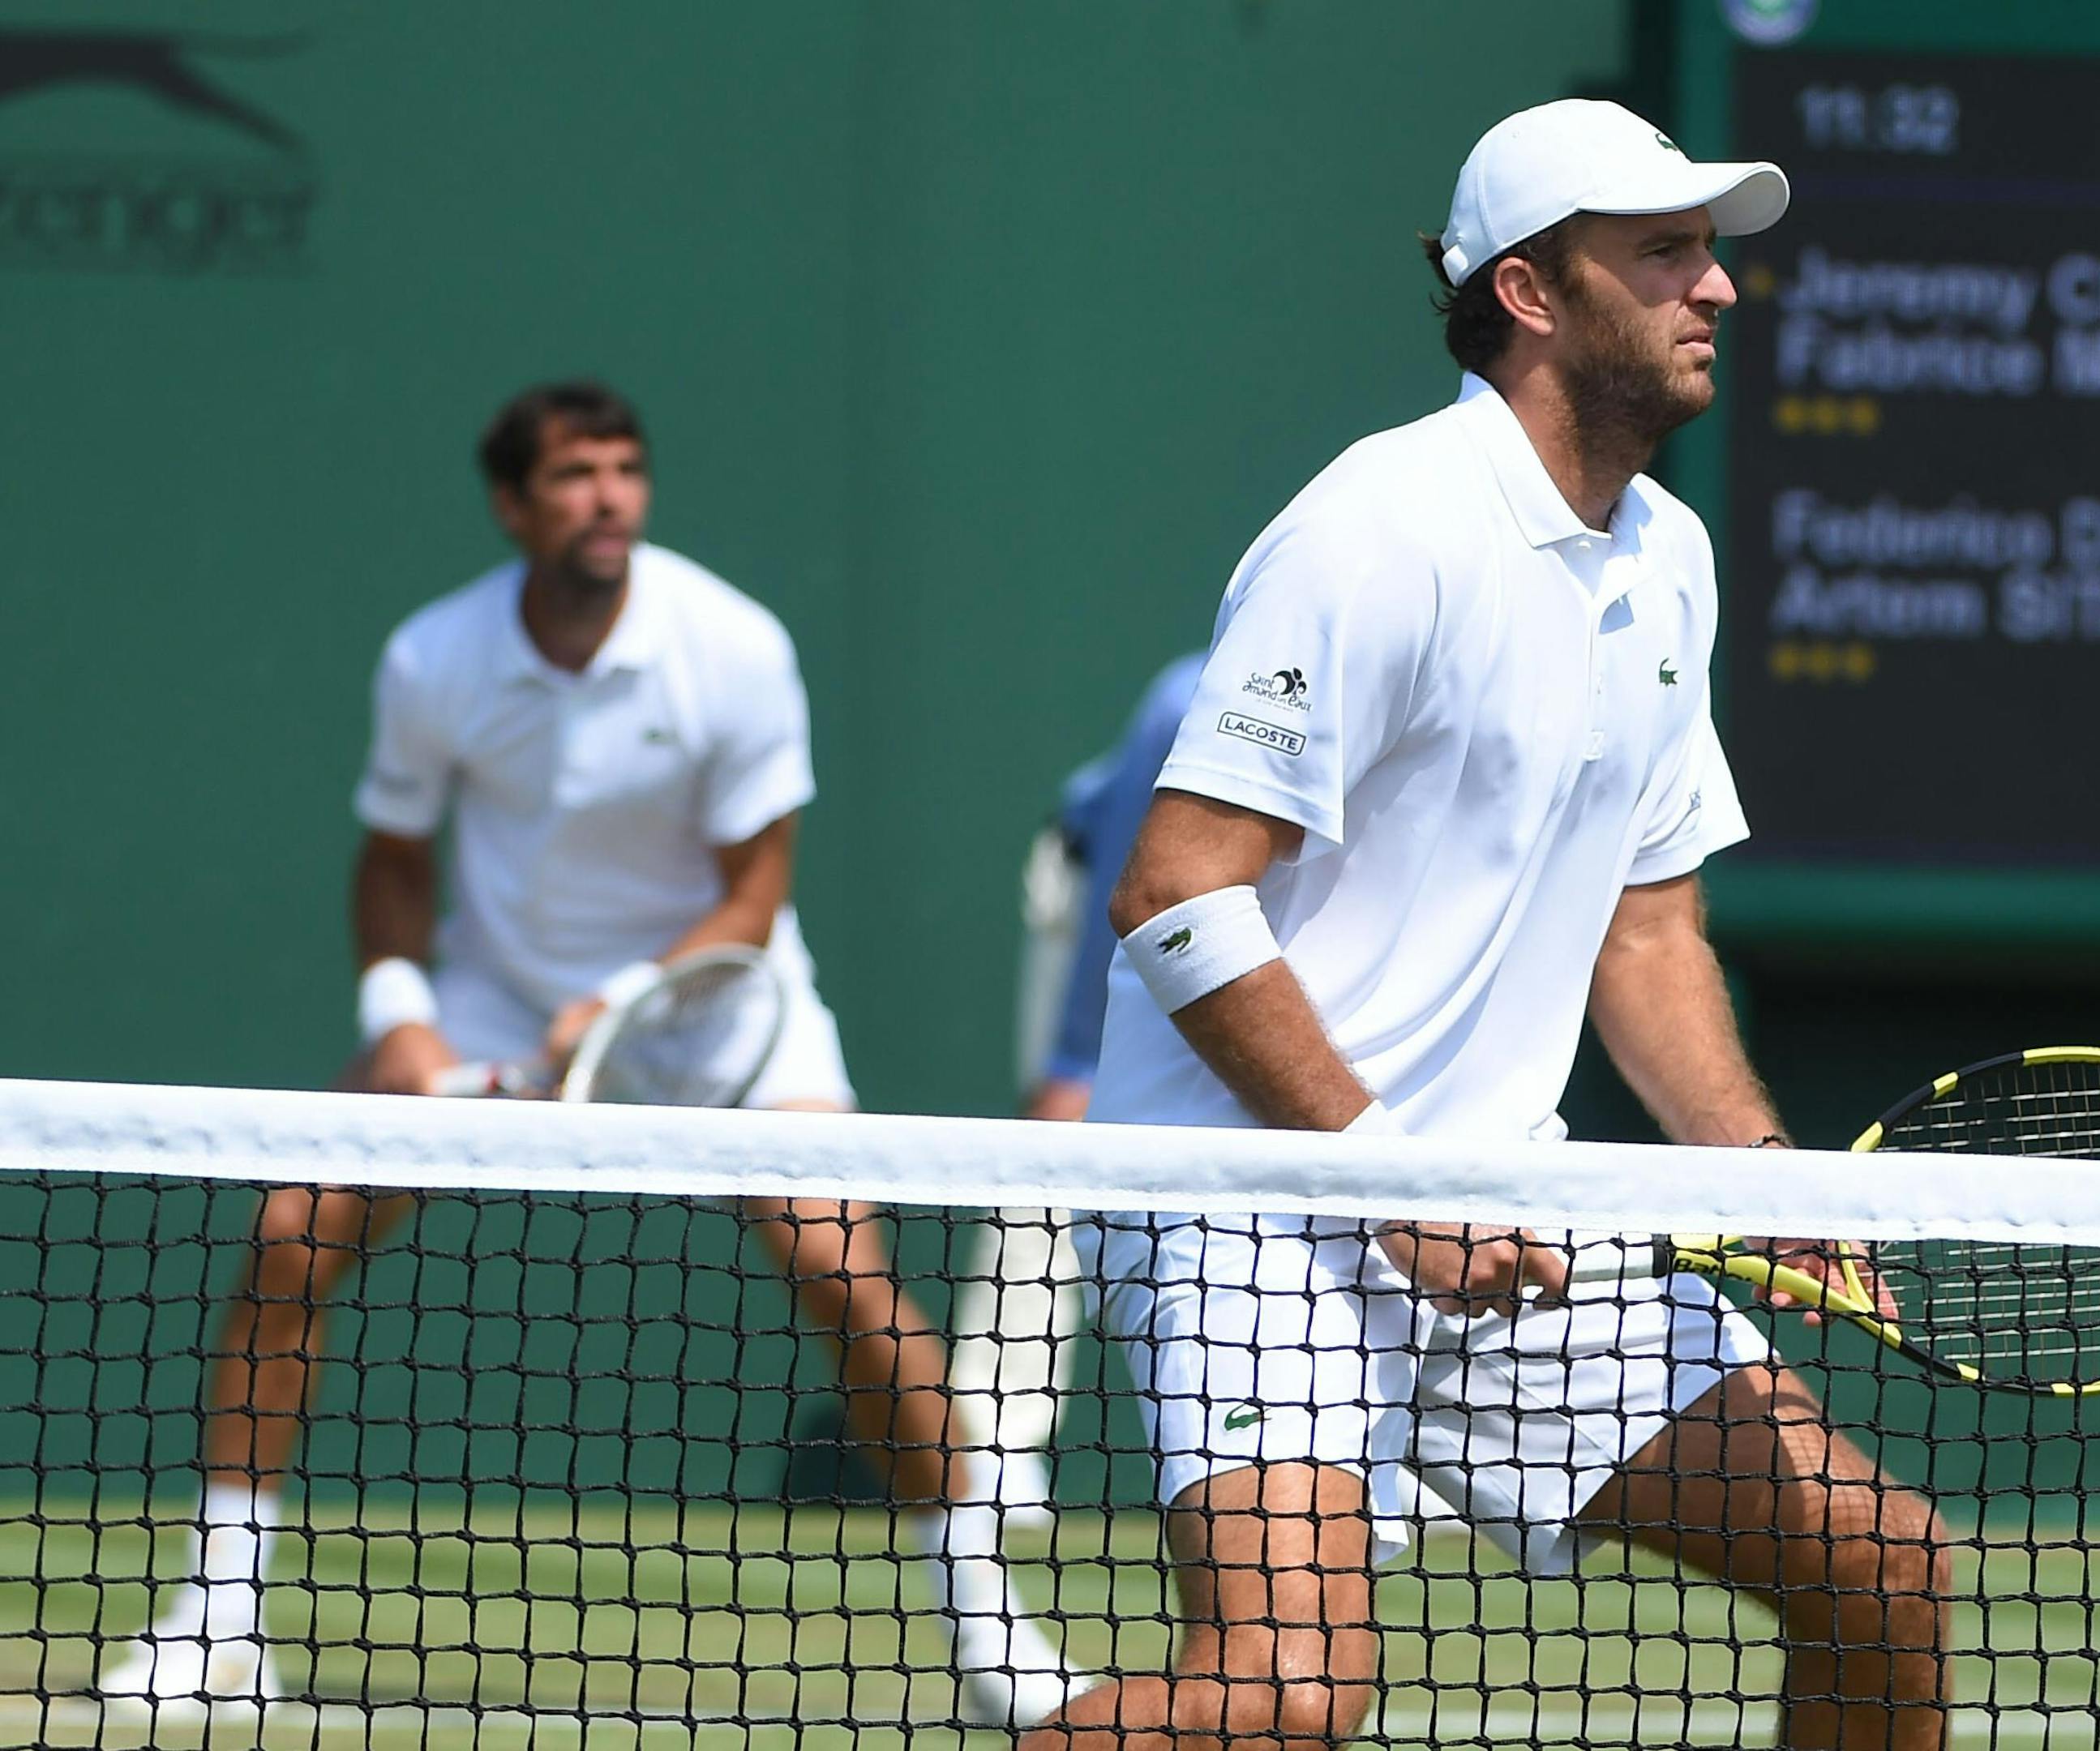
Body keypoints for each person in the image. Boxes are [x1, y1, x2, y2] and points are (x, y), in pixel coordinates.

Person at [1036, 101, 1953, 1751]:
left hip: (1509, 1208)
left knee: (1880, 1567)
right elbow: (1173, 889)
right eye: (1665, 251)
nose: (1718, 288)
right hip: (1254, 1206)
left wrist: (1755, 1164)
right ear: (1532, 294)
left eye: (1712, 249)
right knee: (1289, 1701)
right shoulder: (1380, 531)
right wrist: (1394, 1184)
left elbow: (1649, 930)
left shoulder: (1669, 560)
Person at [99, 382, 1078, 1731]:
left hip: (726, 1009)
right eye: (573, 474)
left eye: (624, 469)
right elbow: (390, 867)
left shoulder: (728, 644)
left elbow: (754, 889)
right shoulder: (434, 659)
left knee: (843, 1277)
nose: (607, 495)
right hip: (496, 1007)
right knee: (293, 1231)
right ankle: (217, 1616)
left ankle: (989, 1630)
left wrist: (621, 1001)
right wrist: (408, 1023)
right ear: (515, 505)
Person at [949, 649, 1206, 1531]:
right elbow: (1126, 889)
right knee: (1059, 1157)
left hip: (1262, 913)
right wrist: (1075, 1060)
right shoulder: (1188, 701)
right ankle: (990, 1448)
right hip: (1106, 890)